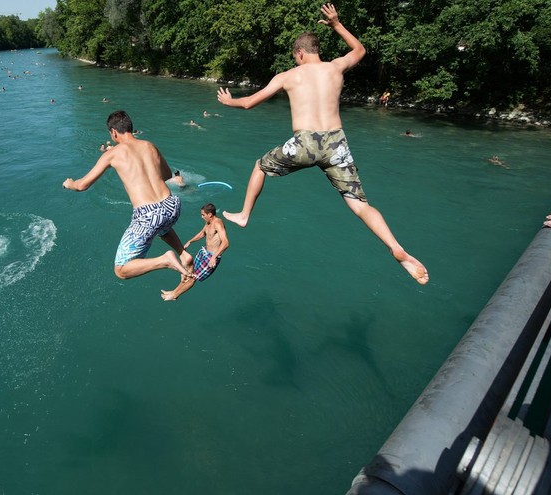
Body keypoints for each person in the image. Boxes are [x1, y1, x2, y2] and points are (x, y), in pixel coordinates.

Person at [216, 3, 428, 285]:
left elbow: (250, 103)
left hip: (304, 142)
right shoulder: (335, 67)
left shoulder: (288, 76)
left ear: (299, 53)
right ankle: (395, 247)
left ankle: (244, 215)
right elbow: (360, 50)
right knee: (359, 204)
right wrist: (337, 24)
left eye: (295, 56)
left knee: (259, 166)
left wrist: (229, 101)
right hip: (336, 143)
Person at [63, 111, 193, 279]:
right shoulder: (149, 146)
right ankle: (183, 253)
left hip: (148, 214)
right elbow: (168, 176)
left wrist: (69, 183)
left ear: (113, 132)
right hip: (172, 205)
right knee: (161, 225)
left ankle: (166, 260)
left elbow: (82, 186)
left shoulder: (112, 154)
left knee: (121, 270)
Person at [162, 203, 230, 301]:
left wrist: (214, 257)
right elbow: (202, 233)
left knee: (194, 277)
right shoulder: (208, 223)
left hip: (212, 257)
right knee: (189, 273)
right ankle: (174, 291)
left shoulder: (218, 223)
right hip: (204, 252)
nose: (202, 217)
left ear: (210, 214)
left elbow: (226, 242)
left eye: (203, 215)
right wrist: (190, 241)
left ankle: (175, 295)